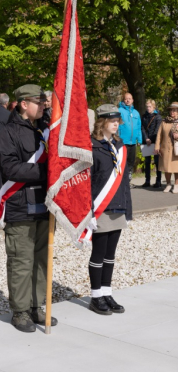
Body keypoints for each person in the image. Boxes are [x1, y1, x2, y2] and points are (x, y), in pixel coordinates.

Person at [0, 84, 58, 333]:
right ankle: (20, 311)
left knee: (42, 259)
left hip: (45, 204)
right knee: (22, 260)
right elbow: (10, 168)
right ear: (23, 104)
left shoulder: (44, 130)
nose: (44, 105)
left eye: (44, 101)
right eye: (39, 101)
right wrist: (47, 171)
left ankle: (36, 306)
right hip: (21, 205)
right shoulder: (8, 132)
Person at [89, 104, 131, 315]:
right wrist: (88, 213)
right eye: (113, 121)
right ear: (102, 122)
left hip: (118, 206)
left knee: (110, 255)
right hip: (100, 208)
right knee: (98, 253)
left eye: (118, 122)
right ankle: (96, 296)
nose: (116, 124)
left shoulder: (120, 146)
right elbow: (86, 183)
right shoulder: (92, 146)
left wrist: (128, 211)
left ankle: (107, 292)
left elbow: (124, 182)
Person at [118, 93, 142, 188]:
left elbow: (138, 127)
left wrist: (139, 140)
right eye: (126, 99)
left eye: (129, 99)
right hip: (123, 141)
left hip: (133, 142)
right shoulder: (119, 111)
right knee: (122, 162)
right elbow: (116, 126)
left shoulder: (136, 113)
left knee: (131, 162)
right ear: (123, 100)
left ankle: (128, 181)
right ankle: (121, 182)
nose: (128, 100)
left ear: (132, 100)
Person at [155, 102, 178, 193]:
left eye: (174, 110)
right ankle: (168, 184)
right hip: (165, 148)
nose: (172, 112)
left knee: (176, 168)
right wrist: (157, 146)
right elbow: (159, 135)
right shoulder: (164, 121)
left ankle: (176, 185)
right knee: (166, 168)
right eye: (171, 110)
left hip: (176, 149)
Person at [141, 99, 162, 188]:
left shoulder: (158, 117)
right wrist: (146, 139)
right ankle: (147, 180)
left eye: (150, 106)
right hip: (146, 142)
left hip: (155, 142)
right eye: (147, 106)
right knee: (147, 162)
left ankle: (158, 181)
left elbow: (157, 130)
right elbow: (142, 128)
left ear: (153, 107)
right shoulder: (144, 116)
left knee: (157, 162)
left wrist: (151, 139)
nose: (148, 108)